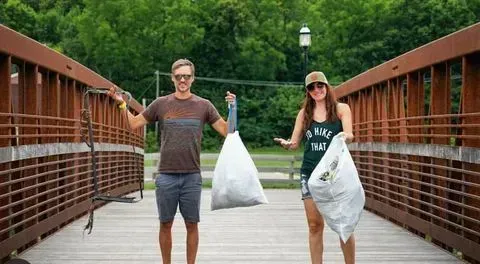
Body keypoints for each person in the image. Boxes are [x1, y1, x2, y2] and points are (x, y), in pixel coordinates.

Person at [108, 58, 235, 264]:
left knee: (192, 224)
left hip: (192, 176)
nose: (182, 80)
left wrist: (233, 108)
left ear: (192, 78)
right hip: (166, 175)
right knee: (165, 224)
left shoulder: (204, 105)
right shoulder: (161, 104)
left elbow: (226, 131)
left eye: (186, 76)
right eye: (178, 76)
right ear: (172, 79)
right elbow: (133, 124)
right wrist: (122, 103)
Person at [274, 71, 355, 264]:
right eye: (311, 87)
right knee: (314, 225)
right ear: (308, 92)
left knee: (344, 225)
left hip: (335, 174)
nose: (316, 90)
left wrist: (345, 136)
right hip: (310, 173)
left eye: (320, 86)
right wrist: (287, 144)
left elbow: (350, 134)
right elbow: (295, 142)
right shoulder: (305, 114)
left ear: (327, 86)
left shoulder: (341, 109)